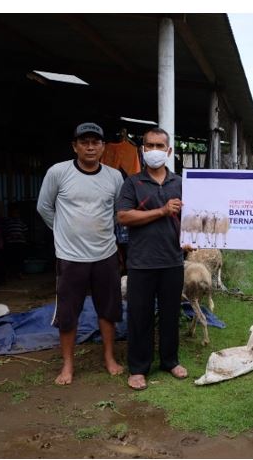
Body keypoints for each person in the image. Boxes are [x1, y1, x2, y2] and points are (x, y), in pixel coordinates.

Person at [37, 122, 124, 385]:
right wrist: (63, 232)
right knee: (68, 312)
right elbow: (44, 208)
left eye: (95, 142)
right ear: (74, 146)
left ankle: (109, 358)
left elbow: (118, 213)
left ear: (103, 147)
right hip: (70, 257)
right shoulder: (58, 172)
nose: (90, 147)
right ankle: (67, 365)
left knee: (108, 309)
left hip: (106, 254)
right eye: (84, 142)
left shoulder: (114, 177)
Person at [116, 127, 187, 391]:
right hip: (141, 261)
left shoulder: (180, 183)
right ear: (142, 149)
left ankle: (170, 361)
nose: (154, 150)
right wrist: (161, 211)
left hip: (172, 259)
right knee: (139, 316)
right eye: (149, 145)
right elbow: (123, 216)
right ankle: (138, 368)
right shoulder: (132, 183)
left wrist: (192, 240)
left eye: (160, 146)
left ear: (168, 151)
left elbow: (193, 218)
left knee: (170, 314)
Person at [1, 204, 29, 279]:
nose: (15, 214)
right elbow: (5, 231)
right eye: (14, 213)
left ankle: (20, 273)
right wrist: (10, 236)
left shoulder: (21, 222)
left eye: (17, 213)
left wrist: (22, 237)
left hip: (20, 243)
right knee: (11, 258)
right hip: (11, 243)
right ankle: (10, 273)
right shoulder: (8, 222)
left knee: (20, 258)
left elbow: (25, 231)